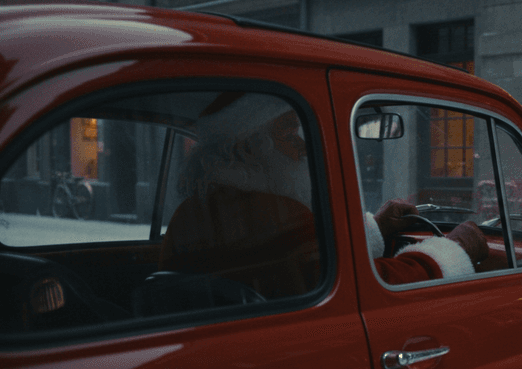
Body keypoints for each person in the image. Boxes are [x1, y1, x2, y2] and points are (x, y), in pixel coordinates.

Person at [162, 92, 487, 294]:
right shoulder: (274, 215)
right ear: (249, 150)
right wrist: (455, 248)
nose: (305, 147)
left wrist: (376, 227)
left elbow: (312, 257)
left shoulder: (193, 213)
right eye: (289, 134)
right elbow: (373, 290)